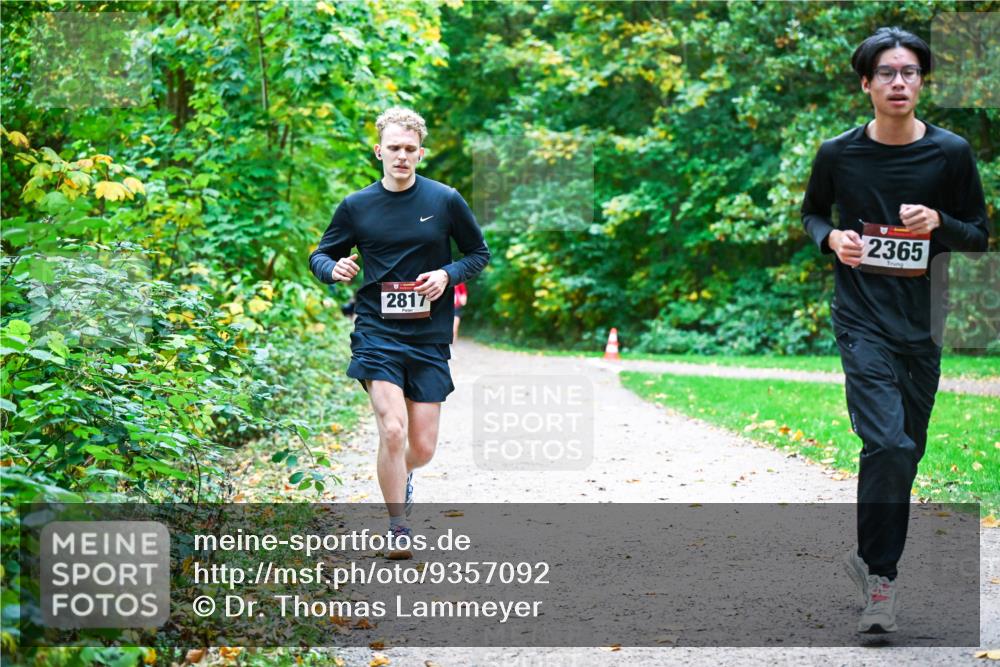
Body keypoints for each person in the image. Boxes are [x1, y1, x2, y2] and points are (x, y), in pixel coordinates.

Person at [801, 27, 990, 633]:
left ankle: (869, 560)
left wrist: (939, 221)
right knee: (887, 444)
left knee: (905, 454)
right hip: (860, 320)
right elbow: (812, 214)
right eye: (887, 73)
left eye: (909, 72)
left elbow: (980, 236)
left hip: (923, 324)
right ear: (866, 83)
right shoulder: (838, 153)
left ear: (922, 81)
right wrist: (831, 239)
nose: (899, 82)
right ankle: (882, 583)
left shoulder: (951, 153)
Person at [309, 107, 490, 558]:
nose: (402, 156)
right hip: (376, 331)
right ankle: (397, 526)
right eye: (394, 148)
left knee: (421, 448)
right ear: (379, 151)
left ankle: (401, 473)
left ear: (420, 154)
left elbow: (478, 253)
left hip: (429, 334)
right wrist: (336, 267)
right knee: (393, 430)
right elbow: (320, 255)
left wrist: (447, 274)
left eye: (410, 149)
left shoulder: (445, 200)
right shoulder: (356, 206)